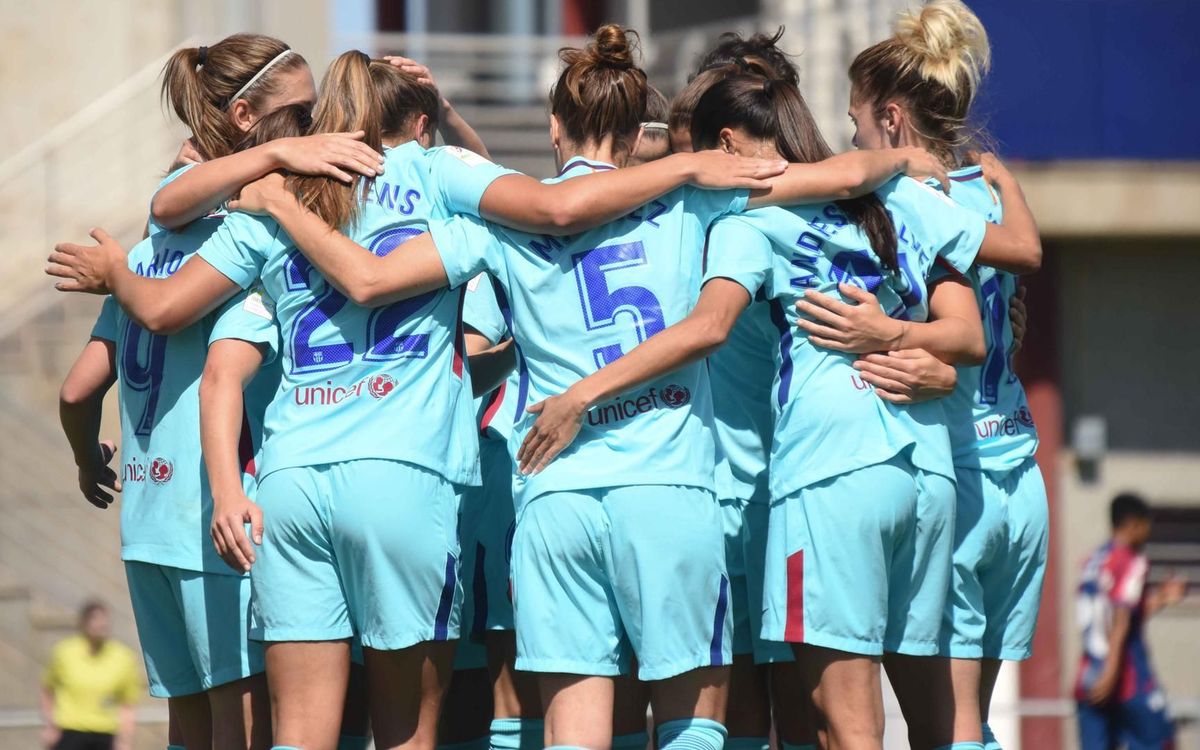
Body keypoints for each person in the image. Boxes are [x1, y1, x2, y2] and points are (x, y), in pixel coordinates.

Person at [190, 23, 958, 750]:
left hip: (553, 491)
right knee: (693, 726)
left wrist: (279, 201)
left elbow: (372, 277)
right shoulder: (698, 195)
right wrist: (898, 163)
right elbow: (834, 176)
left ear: (555, 128)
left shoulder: (499, 225)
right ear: (633, 134)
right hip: (668, 486)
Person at [44, 42, 796, 748]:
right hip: (418, 476)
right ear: (413, 119)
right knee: (414, 731)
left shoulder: (273, 199)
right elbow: (549, 212)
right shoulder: (442, 182)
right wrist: (691, 168)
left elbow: (175, 310)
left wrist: (126, 274)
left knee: (297, 733)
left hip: (293, 479)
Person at [511, 72, 1041, 750]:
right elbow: (974, 326)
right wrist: (905, 335)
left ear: (725, 144)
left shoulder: (751, 215)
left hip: (829, 468)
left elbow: (711, 324)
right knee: (948, 720)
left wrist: (583, 394)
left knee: (839, 723)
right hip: (932, 470)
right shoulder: (898, 192)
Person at [804, 4, 1048, 747]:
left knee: (948, 730)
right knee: (969, 726)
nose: (853, 140)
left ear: (891, 118)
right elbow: (1026, 256)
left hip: (964, 476)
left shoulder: (909, 199)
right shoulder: (986, 192)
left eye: (855, 122)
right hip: (1023, 481)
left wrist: (887, 332)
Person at [1075, 493, 1186, 750]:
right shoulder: (1131, 560)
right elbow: (1121, 616)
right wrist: (1112, 669)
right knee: (1159, 741)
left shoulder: (1094, 561)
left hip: (1088, 674)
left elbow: (1118, 613)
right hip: (1126, 677)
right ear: (1134, 523)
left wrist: (1160, 599)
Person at [40, 601, 141, 750]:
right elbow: (47, 689)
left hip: (105, 733)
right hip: (70, 731)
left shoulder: (123, 657)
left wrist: (125, 740)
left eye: (103, 619)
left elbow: (127, 703)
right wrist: (50, 725)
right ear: (84, 622)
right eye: (95, 619)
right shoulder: (64, 652)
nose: (100, 624)